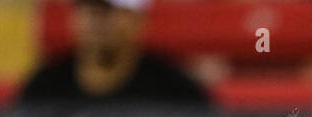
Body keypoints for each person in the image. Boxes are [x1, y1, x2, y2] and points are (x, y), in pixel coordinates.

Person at [20, 0, 207, 104]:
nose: (95, 19)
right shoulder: (44, 89)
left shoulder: (174, 93)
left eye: (107, 10)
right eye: (86, 7)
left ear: (138, 19)